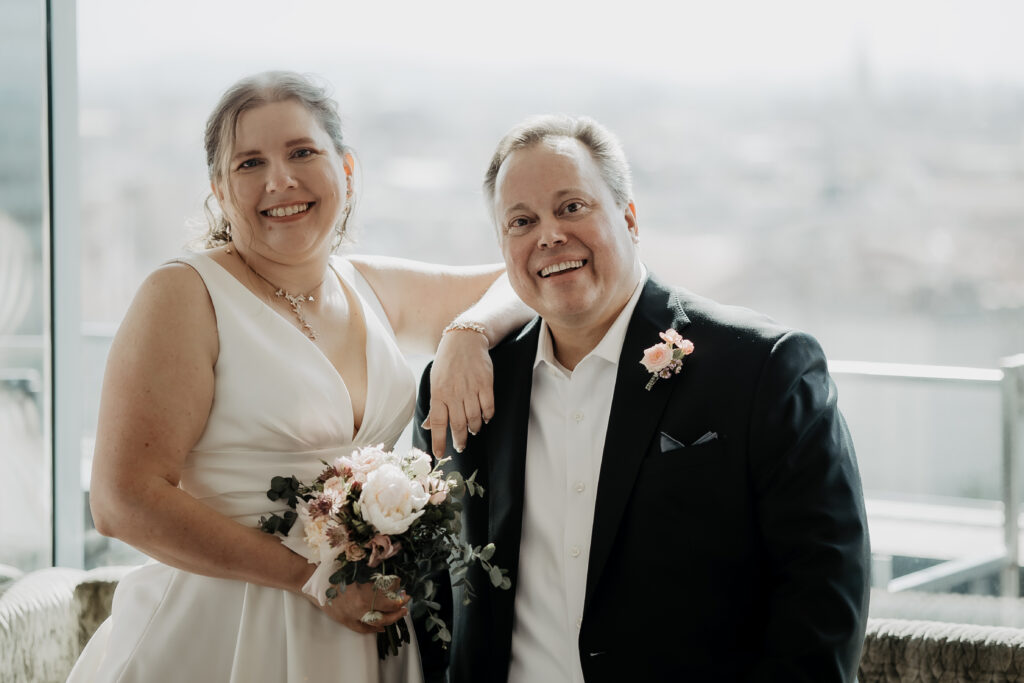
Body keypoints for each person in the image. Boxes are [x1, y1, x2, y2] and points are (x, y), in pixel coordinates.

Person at [68, 71, 530, 683]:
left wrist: (467, 334)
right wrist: (314, 579)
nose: (280, 180)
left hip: (365, 635)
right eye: (249, 163)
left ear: (347, 169)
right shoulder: (184, 294)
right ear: (219, 191)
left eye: (302, 152)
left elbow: (521, 277)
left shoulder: (365, 284)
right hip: (226, 631)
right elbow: (121, 502)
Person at [414, 115, 871, 682]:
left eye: (572, 207)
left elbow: (823, 593)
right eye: (522, 221)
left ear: (629, 219)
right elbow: (432, 590)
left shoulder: (763, 367)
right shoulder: (464, 387)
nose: (549, 235)